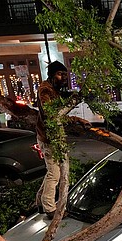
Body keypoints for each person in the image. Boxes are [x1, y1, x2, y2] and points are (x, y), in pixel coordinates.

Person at [35, 60, 91, 219]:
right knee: (54, 173)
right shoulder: (45, 90)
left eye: (65, 75)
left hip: (52, 135)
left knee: (52, 172)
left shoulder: (53, 89)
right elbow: (53, 116)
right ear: (52, 75)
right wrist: (76, 120)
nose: (63, 78)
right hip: (48, 137)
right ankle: (49, 209)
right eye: (60, 74)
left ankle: (40, 201)